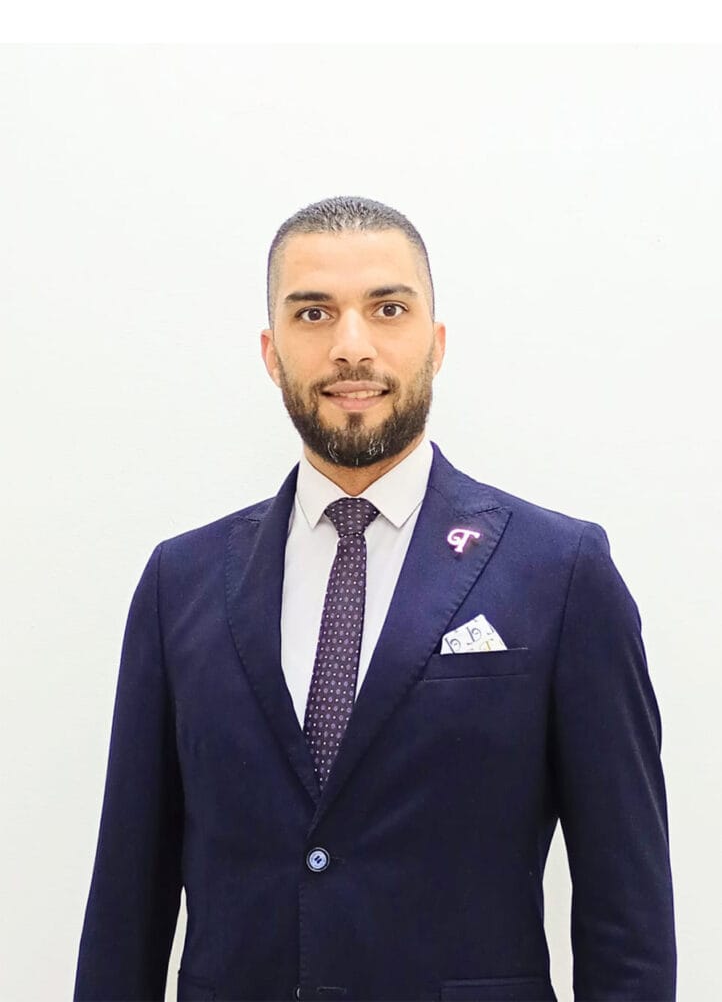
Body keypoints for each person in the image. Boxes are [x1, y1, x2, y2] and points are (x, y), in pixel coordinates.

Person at [74, 196, 676, 1002]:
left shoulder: (560, 573)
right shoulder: (179, 583)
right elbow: (127, 904)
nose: (351, 346)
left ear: (436, 342)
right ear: (271, 352)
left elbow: (627, 917)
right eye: (313, 313)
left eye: (387, 309)